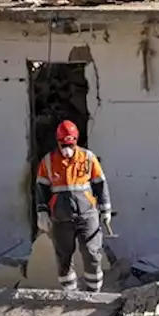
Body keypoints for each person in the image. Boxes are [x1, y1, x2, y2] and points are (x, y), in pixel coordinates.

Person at [35, 120, 111, 292]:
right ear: (58, 141)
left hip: (87, 215)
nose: (66, 148)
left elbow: (100, 183)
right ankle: (70, 295)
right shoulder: (48, 162)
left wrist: (106, 209)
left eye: (70, 144)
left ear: (76, 140)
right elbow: (41, 188)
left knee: (92, 253)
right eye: (63, 144)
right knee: (64, 257)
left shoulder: (88, 158)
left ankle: (94, 293)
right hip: (61, 218)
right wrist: (42, 212)